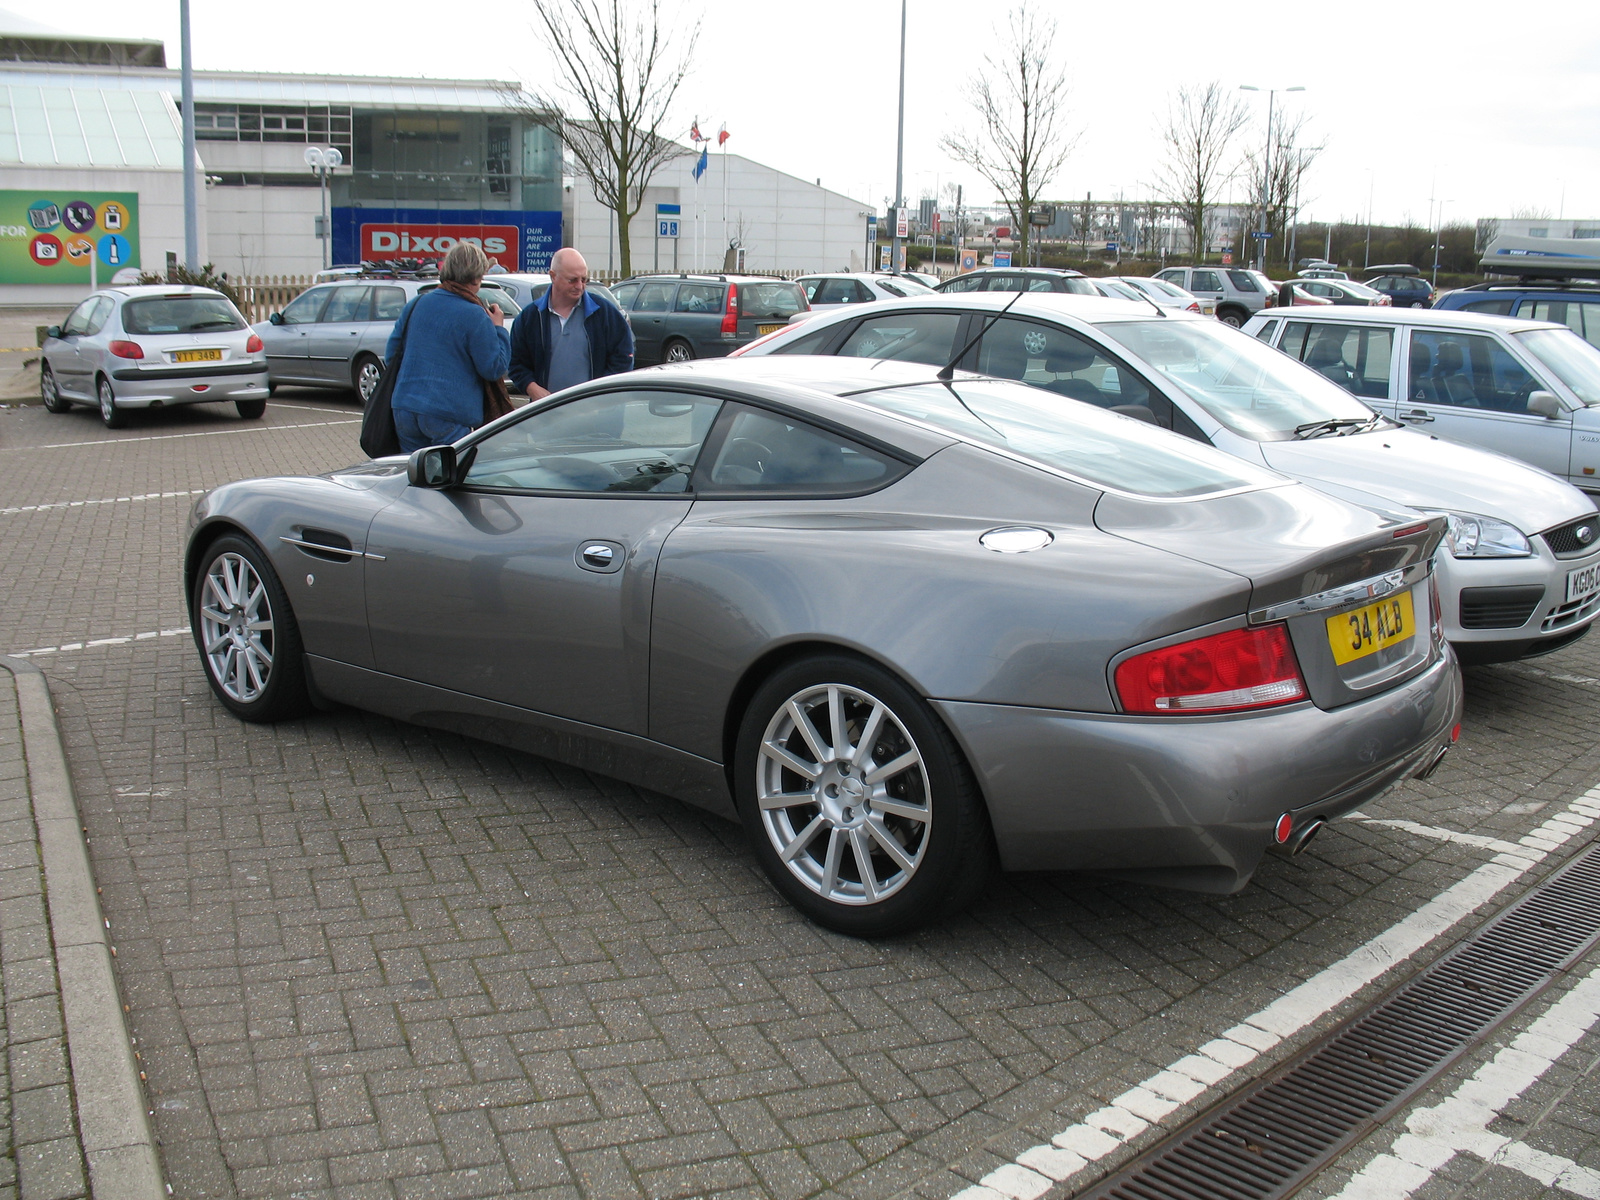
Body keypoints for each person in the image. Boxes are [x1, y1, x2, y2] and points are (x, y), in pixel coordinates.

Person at [387, 242, 510, 453]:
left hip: (405, 408)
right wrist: (499, 328)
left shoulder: (416, 304)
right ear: (476, 277)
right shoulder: (474, 314)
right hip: (449, 413)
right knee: (449, 479)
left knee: (412, 476)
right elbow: (493, 368)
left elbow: (391, 357)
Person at [508, 248, 634, 400]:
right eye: (572, 280)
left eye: (584, 279)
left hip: (597, 415)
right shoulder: (530, 318)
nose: (580, 286)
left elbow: (624, 358)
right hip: (546, 414)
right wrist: (531, 387)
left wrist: (601, 396)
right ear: (553, 276)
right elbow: (516, 363)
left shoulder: (605, 313)